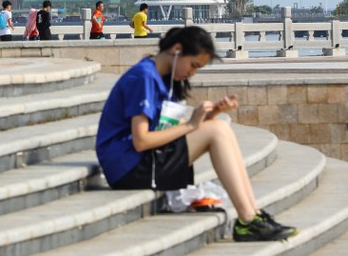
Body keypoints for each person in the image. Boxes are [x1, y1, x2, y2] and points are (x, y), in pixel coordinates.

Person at [96, 27, 298, 242]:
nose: (192, 73)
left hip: (141, 162)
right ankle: (248, 219)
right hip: (128, 168)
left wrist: (214, 113)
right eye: (193, 65)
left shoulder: (162, 78)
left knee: (220, 127)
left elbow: (172, 129)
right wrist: (192, 125)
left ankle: (254, 214)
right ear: (177, 50)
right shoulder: (143, 78)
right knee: (218, 130)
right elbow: (141, 140)